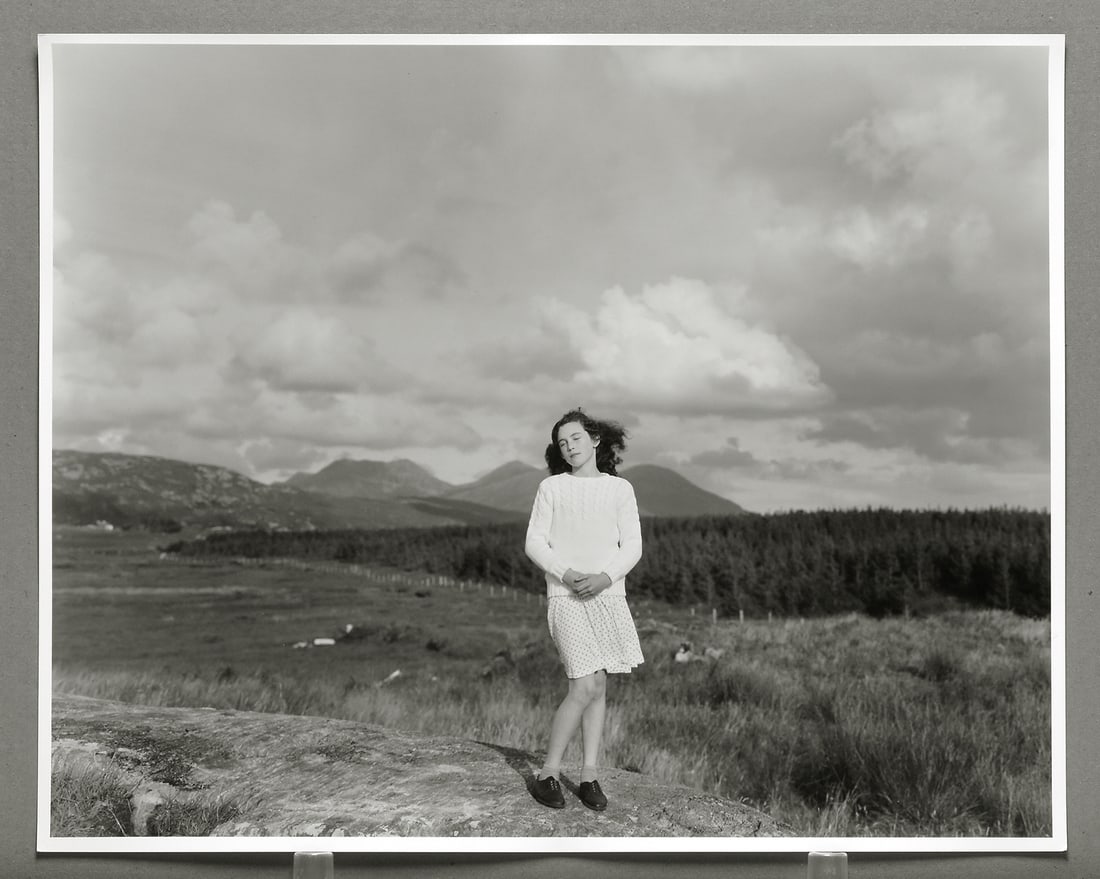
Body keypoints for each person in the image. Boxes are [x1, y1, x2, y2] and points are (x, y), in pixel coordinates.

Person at [524, 408, 645, 811]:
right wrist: (566, 571)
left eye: (574, 438)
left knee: (599, 688)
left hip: (607, 596)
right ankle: (548, 774)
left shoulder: (620, 490)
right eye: (562, 442)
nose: (568, 446)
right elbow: (535, 543)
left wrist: (606, 578)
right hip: (566, 596)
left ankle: (590, 775)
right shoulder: (552, 488)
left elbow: (632, 546)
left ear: (594, 440)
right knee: (583, 686)